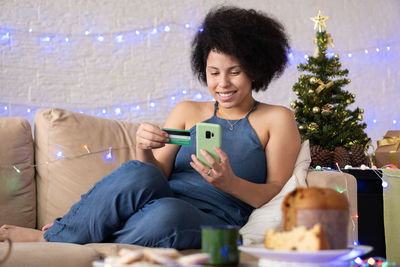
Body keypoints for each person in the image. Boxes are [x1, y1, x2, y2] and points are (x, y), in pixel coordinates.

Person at [1, 6, 300, 249]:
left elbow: (277, 194)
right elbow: (156, 176)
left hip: (218, 221)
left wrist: (228, 182)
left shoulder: (277, 119)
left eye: (234, 72)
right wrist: (144, 150)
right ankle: (58, 237)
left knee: (167, 214)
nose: (222, 84)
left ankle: (66, 236)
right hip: (160, 201)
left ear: (256, 70)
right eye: (213, 72)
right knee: (138, 171)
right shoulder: (187, 110)